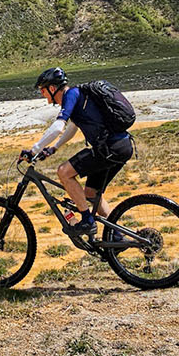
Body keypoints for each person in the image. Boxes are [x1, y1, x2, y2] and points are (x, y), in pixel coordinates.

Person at [19, 67, 135, 236]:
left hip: (109, 148)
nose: (42, 94)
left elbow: (59, 127)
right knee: (91, 193)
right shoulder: (77, 95)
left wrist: (34, 149)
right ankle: (116, 235)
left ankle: (87, 221)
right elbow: (73, 127)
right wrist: (53, 148)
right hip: (121, 146)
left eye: (42, 90)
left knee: (64, 172)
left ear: (52, 88)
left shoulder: (71, 95)